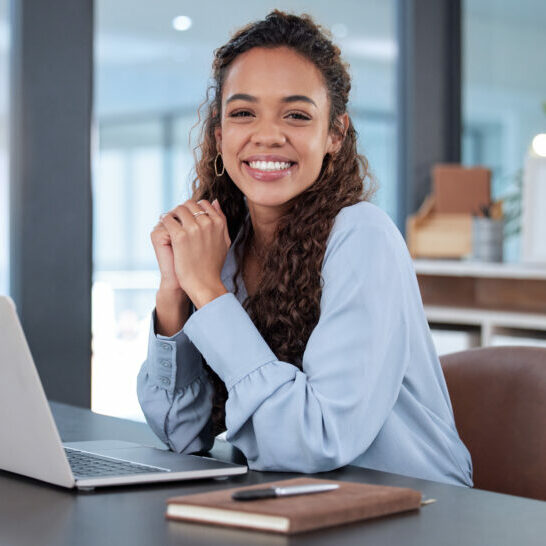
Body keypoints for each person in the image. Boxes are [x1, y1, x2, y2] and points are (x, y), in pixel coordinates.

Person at [137, 10, 473, 487]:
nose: (268, 135)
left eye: (296, 114)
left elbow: (315, 440)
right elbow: (181, 434)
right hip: (302, 502)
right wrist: (175, 292)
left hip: (415, 511)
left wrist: (209, 294)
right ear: (219, 135)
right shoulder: (225, 248)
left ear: (334, 134)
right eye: (243, 113)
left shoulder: (363, 237)